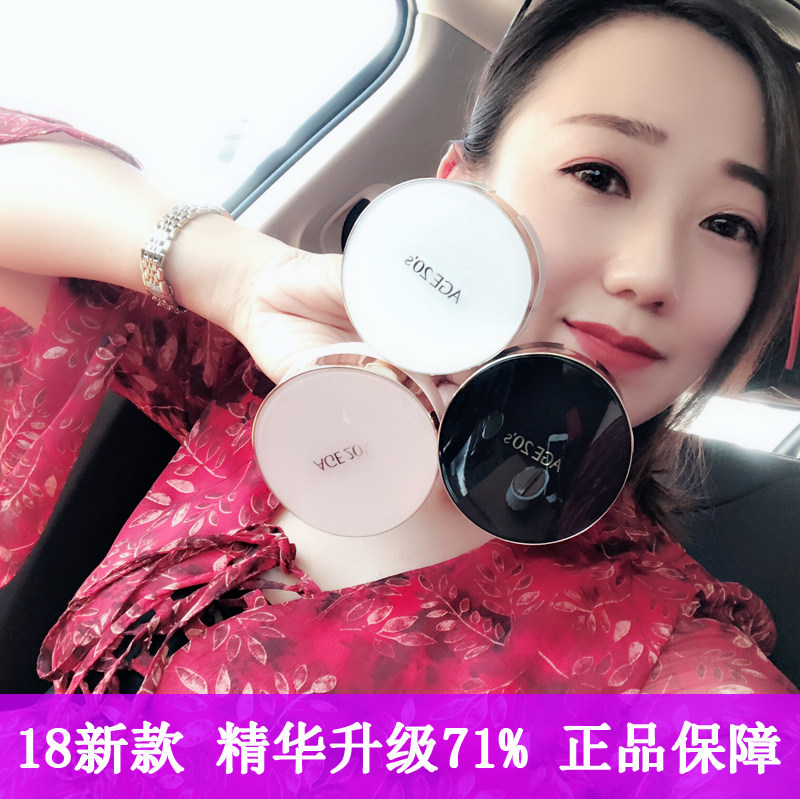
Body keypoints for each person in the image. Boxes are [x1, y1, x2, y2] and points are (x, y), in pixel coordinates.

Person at [1, 0, 799, 693]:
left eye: (729, 225)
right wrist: (239, 278)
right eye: (599, 175)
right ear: (459, 189)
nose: (652, 272)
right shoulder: (263, 366)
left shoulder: (664, 654)